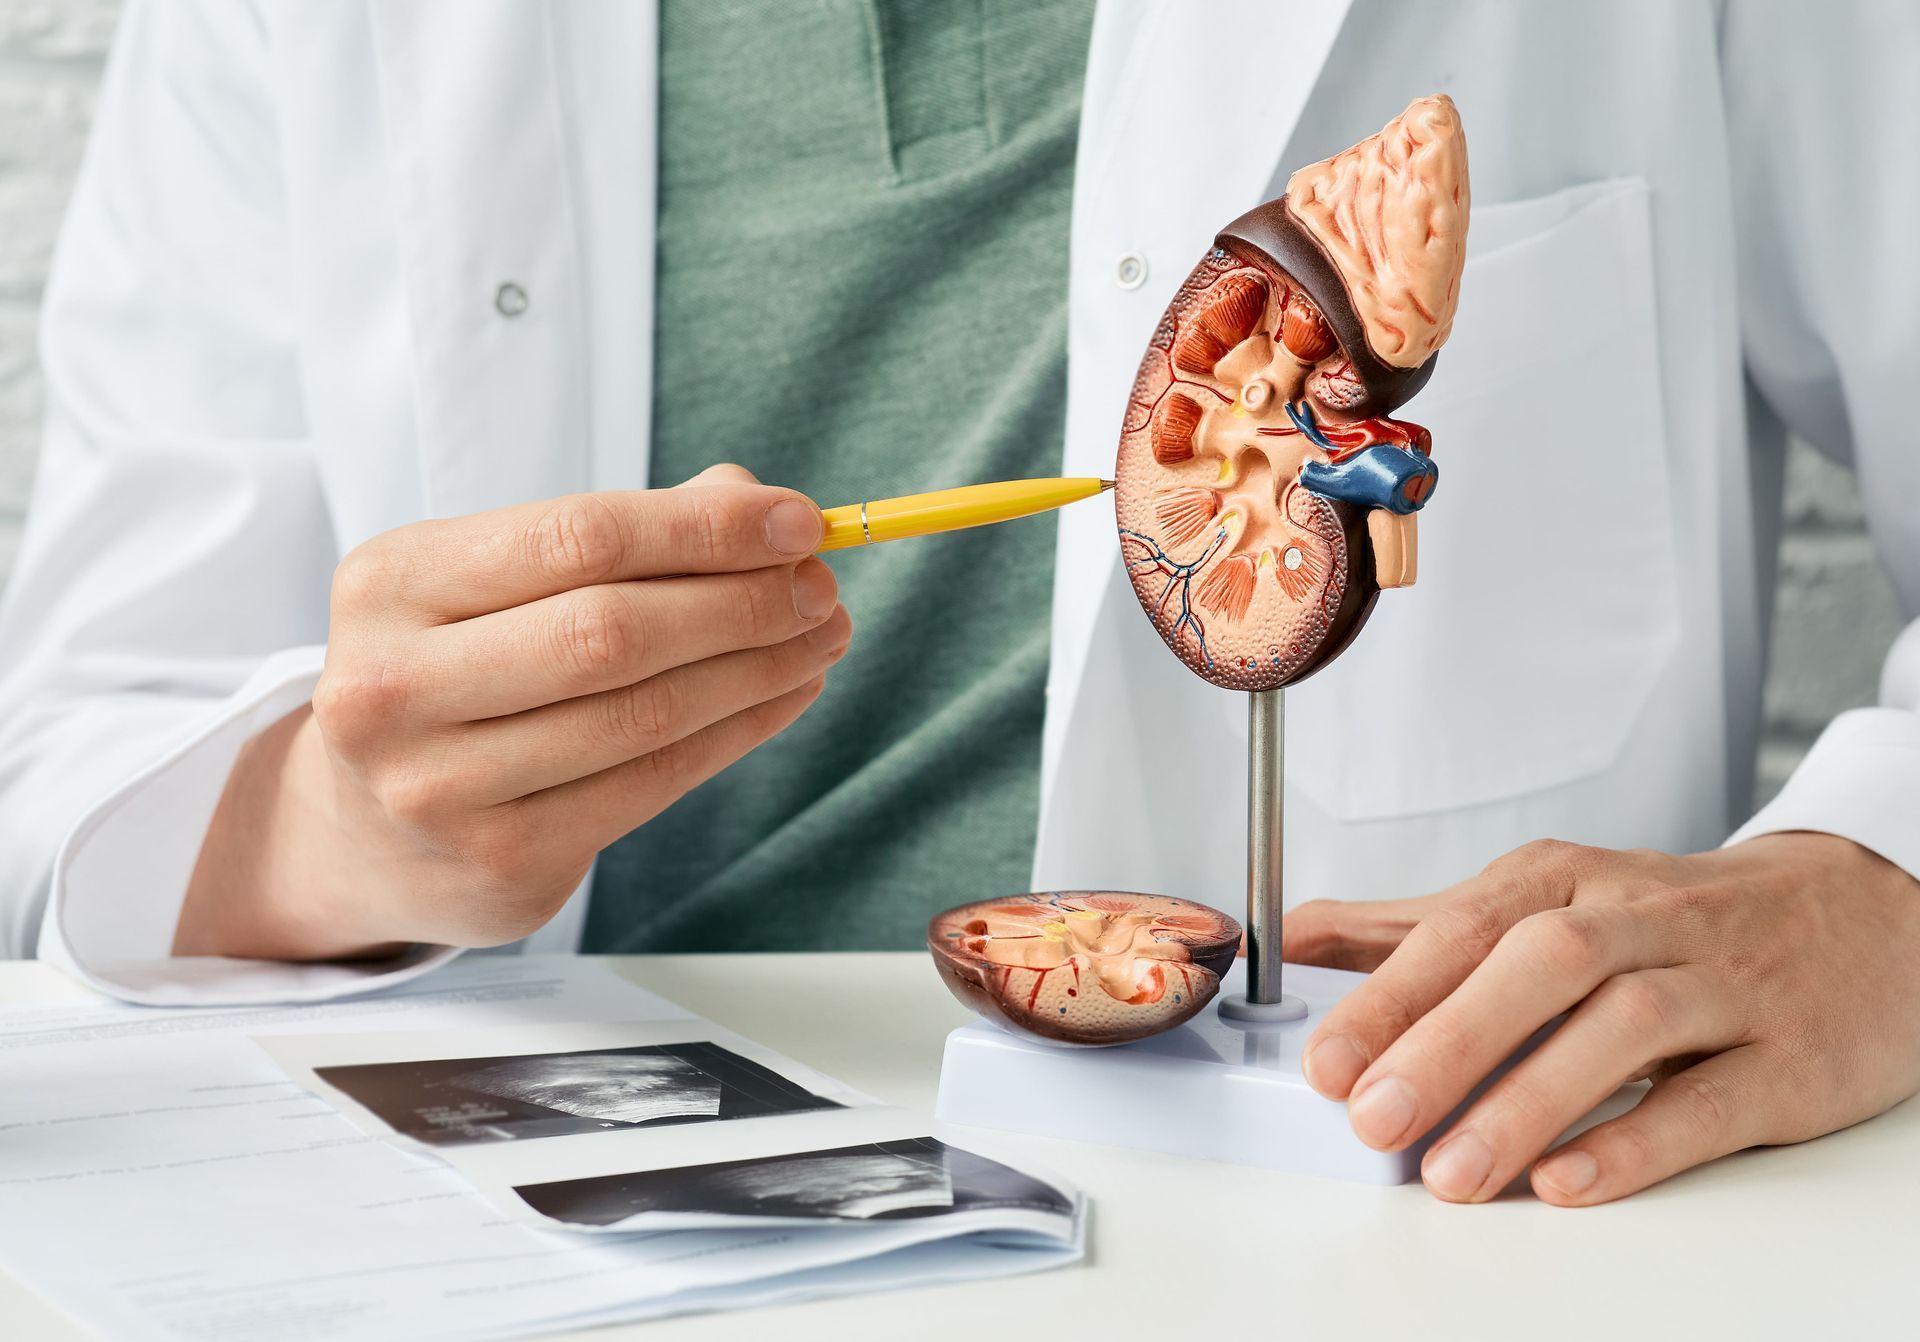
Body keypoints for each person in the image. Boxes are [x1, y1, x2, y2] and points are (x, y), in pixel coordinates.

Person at [1, 1, 1916, 1209]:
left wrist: (1883, 887)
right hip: (560, 1211)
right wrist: (331, 824)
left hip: (1423, 1220)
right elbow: (79, 749)